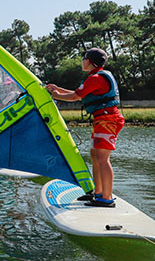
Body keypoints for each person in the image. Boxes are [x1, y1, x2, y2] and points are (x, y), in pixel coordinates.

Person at [45, 48, 125, 208]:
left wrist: (54, 95)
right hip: (102, 119)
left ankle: (107, 198)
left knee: (102, 158)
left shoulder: (95, 78)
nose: (82, 60)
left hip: (108, 119)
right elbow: (78, 93)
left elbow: (75, 97)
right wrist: (57, 89)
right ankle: (99, 193)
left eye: (84, 58)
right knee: (95, 156)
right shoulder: (95, 78)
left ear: (90, 61)